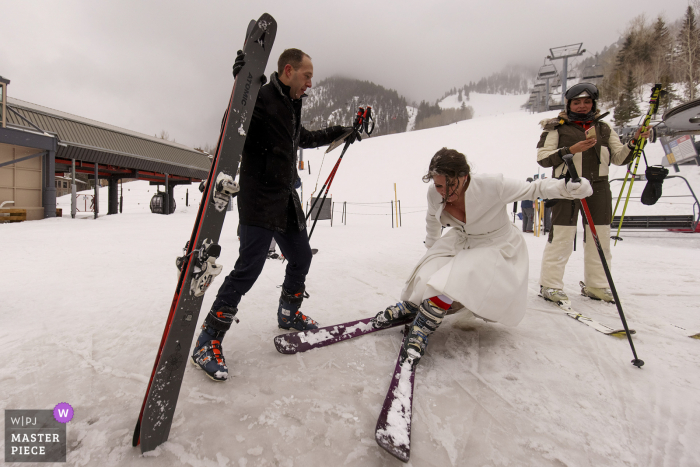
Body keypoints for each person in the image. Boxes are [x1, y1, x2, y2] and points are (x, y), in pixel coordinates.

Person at [191, 49, 354, 382]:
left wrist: (343, 131)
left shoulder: (290, 103)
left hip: (283, 197)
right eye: (307, 76)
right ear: (289, 70)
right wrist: (242, 87)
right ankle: (207, 341)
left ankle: (288, 313)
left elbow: (302, 138)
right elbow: (231, 126)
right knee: (249, 268)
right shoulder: (262, 97)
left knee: (301, 256)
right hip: (258, 199)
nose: (310, 83)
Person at [373, 148, 593, 366]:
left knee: (456, 276)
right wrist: (432, 246)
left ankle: (424, 324)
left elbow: (535, 188)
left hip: (496, 244)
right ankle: (413, 305)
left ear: (464, 177)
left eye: (451, 185)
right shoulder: (434, 193)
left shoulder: (492, 186)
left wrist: (568, 188)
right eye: (439, 185)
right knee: (427, 273)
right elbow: (432, 219)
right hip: (462, 239)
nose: (445, 192)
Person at [535, 83, 649, 305]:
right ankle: (551, 284)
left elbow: (619, 157)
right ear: (569, 104)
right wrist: (571, 150)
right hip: (567, 186)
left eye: (587, 102)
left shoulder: (604, 128)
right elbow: (543, 158)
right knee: (562, 236)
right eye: (577, 102)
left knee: (601, 236)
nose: (582, 106)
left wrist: (635, 142)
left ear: (594, 104)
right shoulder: (556, 128)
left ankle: (596, 284)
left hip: (599, 187)